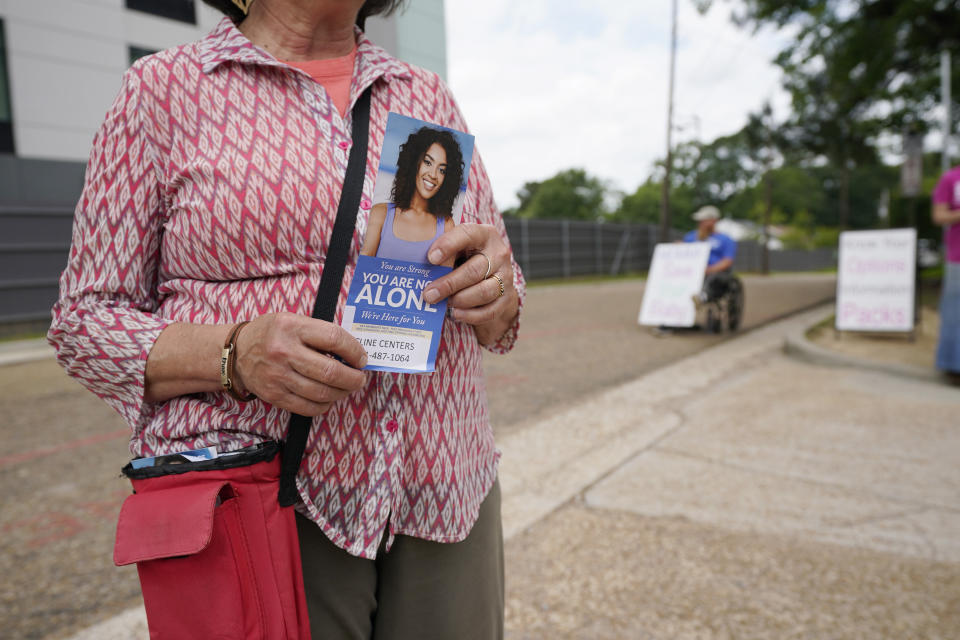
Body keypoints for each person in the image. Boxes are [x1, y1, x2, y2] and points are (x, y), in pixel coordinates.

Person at [46, 0, 525, 638]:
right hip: (269, 491)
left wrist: (497, 289)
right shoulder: (165, 90)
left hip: (444, 489)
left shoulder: (424, 94)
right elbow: (85, 321)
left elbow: (501, 295)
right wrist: (233, 353)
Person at [362, 126, 462, 266]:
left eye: (442, 170)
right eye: (428, 162)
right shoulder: (381, 213)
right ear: (414, 162)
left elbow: (445, 283)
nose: (433, 175)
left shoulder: (446, 226)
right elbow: (363, 268)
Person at [932, 164, 960, 380]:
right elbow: (939, 215)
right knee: (953, 312)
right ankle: (952, 365)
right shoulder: (951, 178)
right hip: (957, 257)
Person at [683, 205, 738, 304]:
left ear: (714, 220)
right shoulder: (691, 237)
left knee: (715, 278)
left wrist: (709, 269)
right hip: (693, 272)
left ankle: (703, 297)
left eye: (703, 220)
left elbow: (727, 261)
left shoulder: (726, 240)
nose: (700, 223)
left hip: (716, 273)